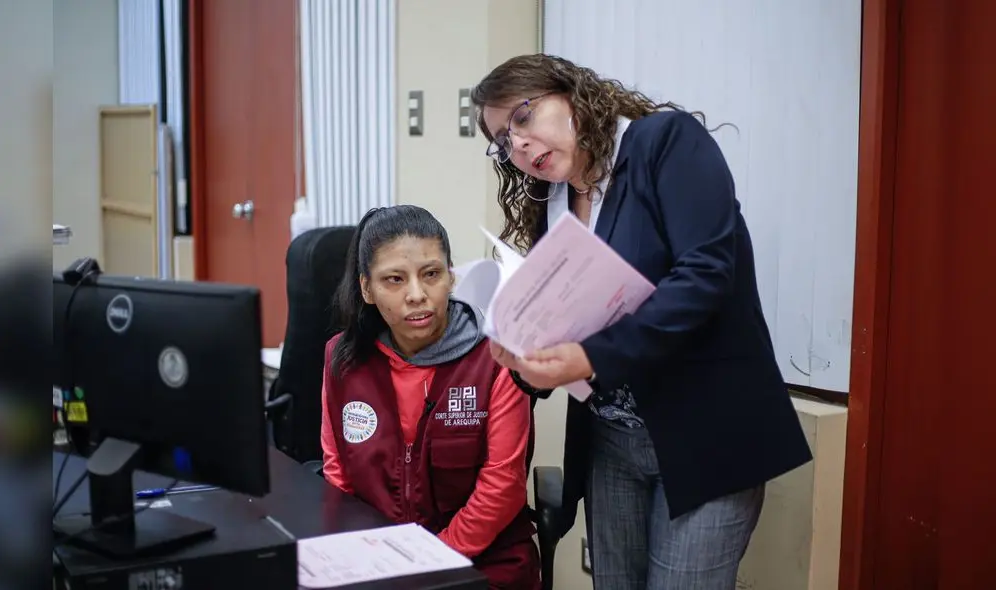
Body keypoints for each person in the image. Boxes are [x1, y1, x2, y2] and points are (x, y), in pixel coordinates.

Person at [470, 54, 814, 589]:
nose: (515, 144)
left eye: (521, 117)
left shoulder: (663, 143)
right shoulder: (555, 202)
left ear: (571, 95)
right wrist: (521, 357)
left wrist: (590, 356)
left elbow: (704, 275)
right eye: (501, 140)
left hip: (705, 432)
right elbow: (566, 319)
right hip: (612, 443)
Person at [320, 204, 541, 589]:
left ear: (451, 277)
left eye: (431, 274)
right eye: (394, 280)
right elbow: (338, 474)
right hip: (380, 561)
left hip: (485, 563)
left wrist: (431, 560)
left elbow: (503, 485)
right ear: (366, 289)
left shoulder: (496, 357)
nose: (417, 295)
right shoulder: (343, 360)